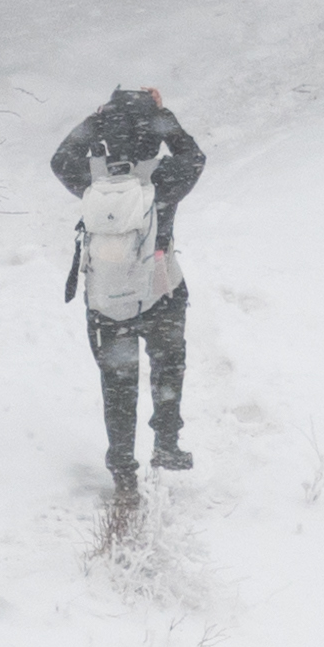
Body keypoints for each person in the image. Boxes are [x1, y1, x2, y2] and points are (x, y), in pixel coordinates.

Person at [49, 84, 206, 494]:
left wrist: (96, 119)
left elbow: (59, 158)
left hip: (105, 300)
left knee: (117, 384)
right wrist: (163, 115)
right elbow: (194, 156)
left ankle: (122, 465)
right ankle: (166, 443)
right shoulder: (165, 177)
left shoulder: (90, 179)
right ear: (151, 133)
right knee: (168, 366)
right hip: (161, 291)